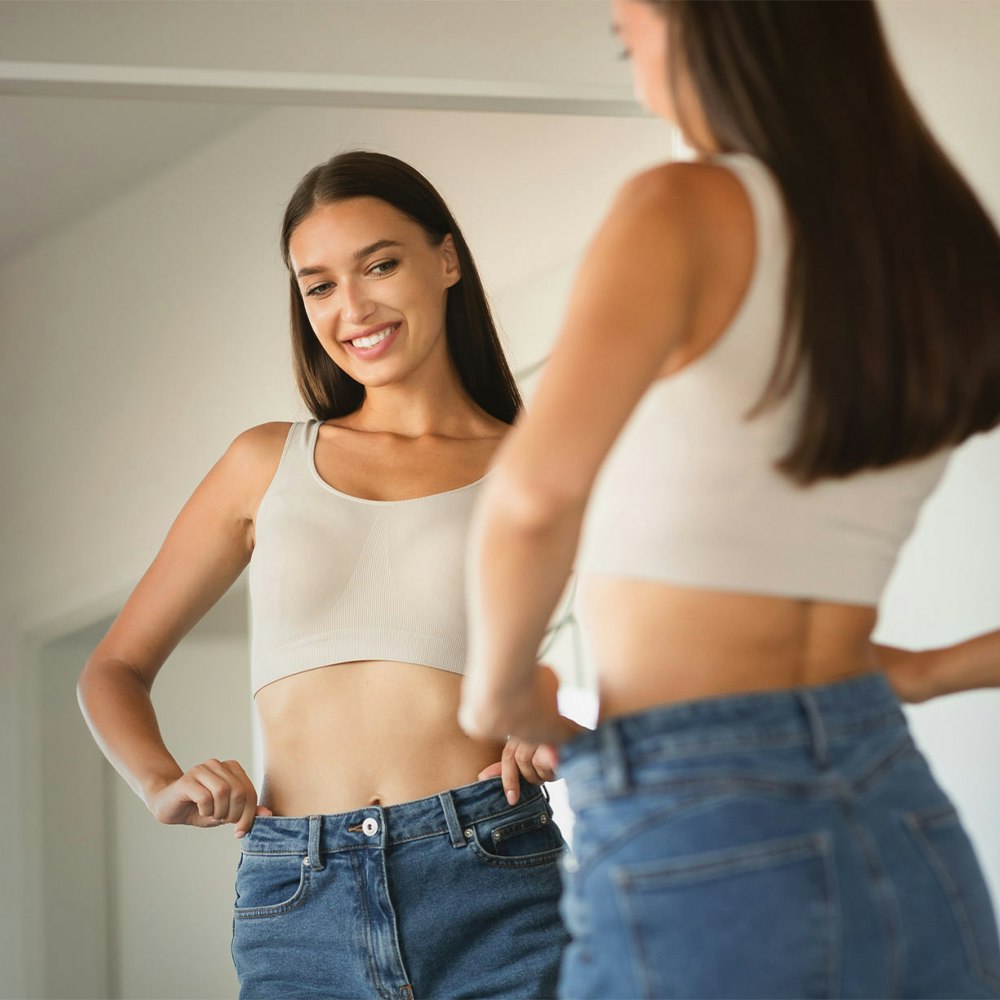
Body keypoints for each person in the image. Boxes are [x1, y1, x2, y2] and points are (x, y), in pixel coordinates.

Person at [459, 2, 1000, 997]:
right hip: (894, 802)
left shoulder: (684, 207)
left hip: (697, 808)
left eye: (632, 33)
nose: (635, 61)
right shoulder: (949, 253)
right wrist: (914, 672)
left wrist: (499, 694)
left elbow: (532, 496)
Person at [78, 151, 571, 1000]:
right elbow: (114, 668)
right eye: (320, 286)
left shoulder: (542, 468)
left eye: (380, 264)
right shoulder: (265, 461)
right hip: (295, 894)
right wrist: (162, 783)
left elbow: (669, 665)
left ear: (446, 260)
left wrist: (569, 728)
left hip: (491, 872)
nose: (353, 308)